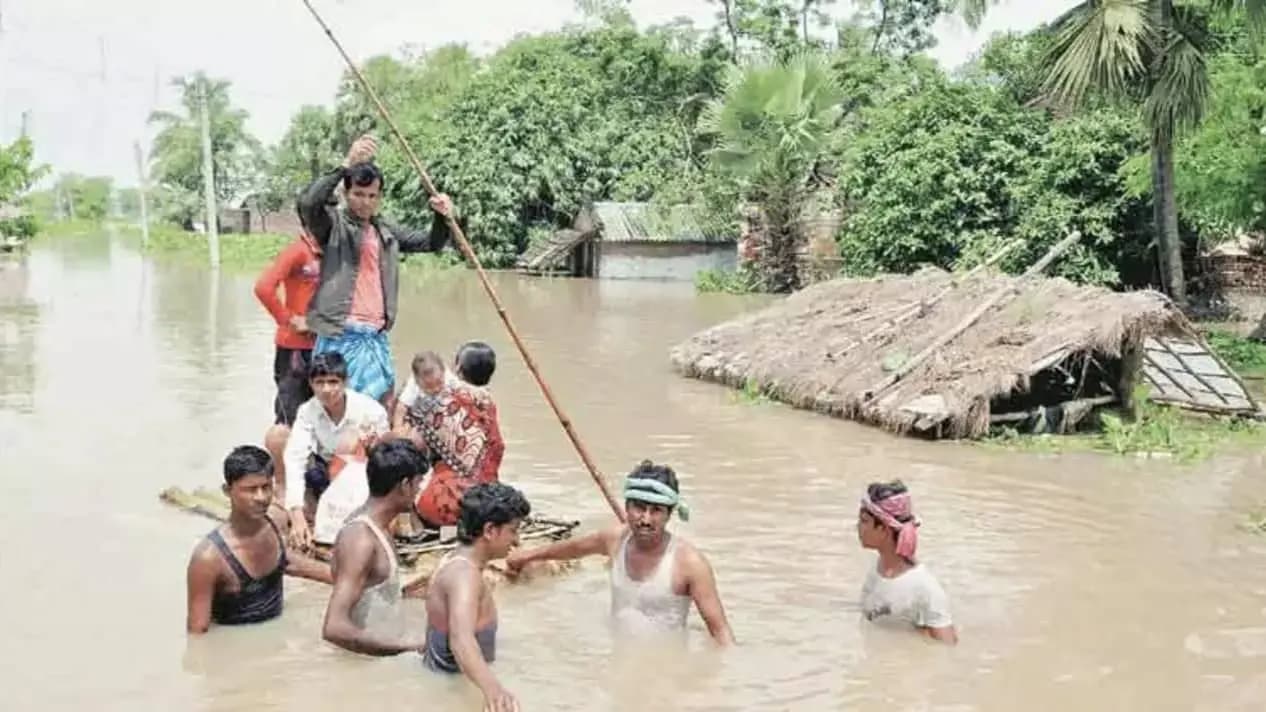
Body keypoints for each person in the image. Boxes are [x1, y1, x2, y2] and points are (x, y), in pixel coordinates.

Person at [297, 134, 455, 412]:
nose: (365, 202)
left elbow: (431, 242)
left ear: (379, 197)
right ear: (346, 195)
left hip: (375, 336)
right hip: (341, 333)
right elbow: (309, 204)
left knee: (379, 409)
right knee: (339, 409)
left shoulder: (385, 230)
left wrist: (442, 216)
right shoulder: (333, 225)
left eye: (372, 196)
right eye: (358, 194)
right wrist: (347, 163)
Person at [505, 460, 735, 645]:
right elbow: (573, 549)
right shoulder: (615, 539)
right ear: (627, 508)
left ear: (669, 514)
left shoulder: (689, 563)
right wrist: (528, 556)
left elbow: (721, 631)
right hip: (618, 656)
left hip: (664, 671)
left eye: (656, 511)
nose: (645, 519)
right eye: (639, 508)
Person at [186, 445, 332, 634]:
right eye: (250, 489)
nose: (261, 497)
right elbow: (197, 636)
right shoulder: (208, 559)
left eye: (266, 487)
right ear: (227, 491)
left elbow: (287, 562)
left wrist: (345, 578)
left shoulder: (274, 523)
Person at [424, 482, 529, 712]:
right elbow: (461, 639)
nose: (517, 540)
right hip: (454, 697)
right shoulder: (465, 576)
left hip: (442, 691)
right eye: (513, 530)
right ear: (490, 530)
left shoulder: (452, 561)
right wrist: (494, 690)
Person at [321, 439, 430, 655]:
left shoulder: (378, 527)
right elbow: (334, 628)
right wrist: (412, 647)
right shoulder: (361, 539)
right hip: (363, 669)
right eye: (418, 483)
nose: (419, 490)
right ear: (405, 485)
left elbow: (370, 592)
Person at [283, 352, 391, 548]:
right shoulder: (307, 411)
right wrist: (296, 515)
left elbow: (385, 457)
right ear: (311, 383)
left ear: (345, 382)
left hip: (361, 473)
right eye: (320, 382)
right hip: (324, 471)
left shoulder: (370, 410)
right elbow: (296, 459)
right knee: (283, 441)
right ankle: (302, 507)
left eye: (333, 382)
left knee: (350, 444)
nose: (327, 389)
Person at [255, 214, 323, 501]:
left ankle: (309, 486)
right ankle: (282, 488)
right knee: (288, 418)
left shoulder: (332, 251)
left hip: (324, 346)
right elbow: (263, 287)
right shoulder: (298, 250)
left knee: (319, 417)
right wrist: (288, 319)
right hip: (294, 348)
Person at [406, 341, 504, 528]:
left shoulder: (444, 401)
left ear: (457, 368)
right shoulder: (489, 404)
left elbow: (413, 444)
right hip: (488, 502)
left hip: (449, 506)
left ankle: (414, 523)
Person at [855, 480, 956, 644]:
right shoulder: (878, 568)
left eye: (864, 521)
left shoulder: (925, 589)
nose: (858, 527)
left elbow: (947, 647)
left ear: (884, 529)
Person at [391, 350, 449, 432]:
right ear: (417, 382)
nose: (436, 389)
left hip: (440, 414)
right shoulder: (413, 385)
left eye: (439, 383)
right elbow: (402, 407)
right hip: (417, 418)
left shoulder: (450, 379)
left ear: (443, 372)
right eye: (429, 387)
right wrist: (398, 427)